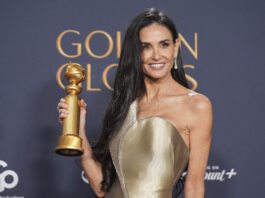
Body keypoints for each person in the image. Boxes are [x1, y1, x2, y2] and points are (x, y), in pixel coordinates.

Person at [57, 8, 212, 198]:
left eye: (163, 44)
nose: (156, 55)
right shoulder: (126, 104)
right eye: (145, 46)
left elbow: (194, 186)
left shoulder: (197, 106)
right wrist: (78, 130)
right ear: (136, 52)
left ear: (176, 47)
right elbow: (101, 190)